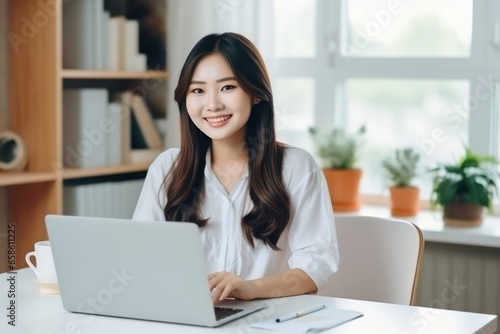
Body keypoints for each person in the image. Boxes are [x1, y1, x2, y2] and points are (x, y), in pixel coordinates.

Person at [133, 32, 339, 302]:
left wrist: (251, 288)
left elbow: (316, 266)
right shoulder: (167, 168)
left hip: (266, 320)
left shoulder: (296, 167)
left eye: (227, 87)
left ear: (255, 93)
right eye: (198, 90)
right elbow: (140, 256)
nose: (213, 104)